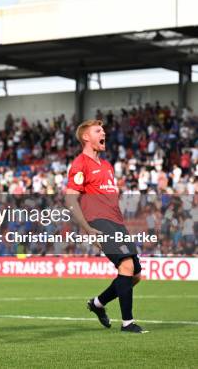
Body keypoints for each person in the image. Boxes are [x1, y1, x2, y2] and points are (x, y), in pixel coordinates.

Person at [65, 119, 146, 334]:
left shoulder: (107, 166)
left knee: (135, 275)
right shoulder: (80, 164)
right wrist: (88, 229)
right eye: (98, 131)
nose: (104, 134)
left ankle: (98, 303)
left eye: (103, 130)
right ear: (86, 137)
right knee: (126, 265)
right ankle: (128, 323)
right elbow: (70, 200)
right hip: (98, 222)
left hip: (117, 222)